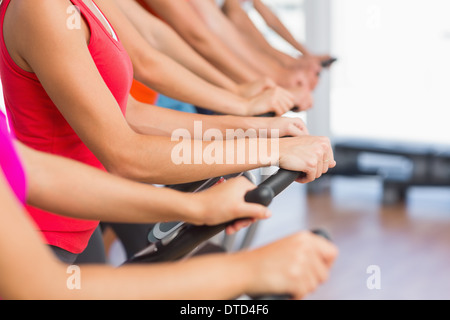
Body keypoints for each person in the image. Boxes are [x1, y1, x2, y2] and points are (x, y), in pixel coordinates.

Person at [0, 0, 335, 262]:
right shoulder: (41, 9)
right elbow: (124, 154)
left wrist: (258, 129)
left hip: (82, 219)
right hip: (45, 232)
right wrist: (269, 150)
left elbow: (132, 111)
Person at [0, 110, 338, 300]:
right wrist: (246, 272)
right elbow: (41, 290)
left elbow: (34, 169)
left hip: (76, 226)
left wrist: (194, 207)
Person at [113, 0, 313, 112]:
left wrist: (277, 72)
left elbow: (217, 24)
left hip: (155, 88)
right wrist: (242, 92)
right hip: (145, 88)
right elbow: (197, 33)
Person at [222, 0, 333, 68]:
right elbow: (235, 15)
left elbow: (272, 21)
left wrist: (307, 54)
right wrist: (288, 61)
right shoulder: (233, 8)